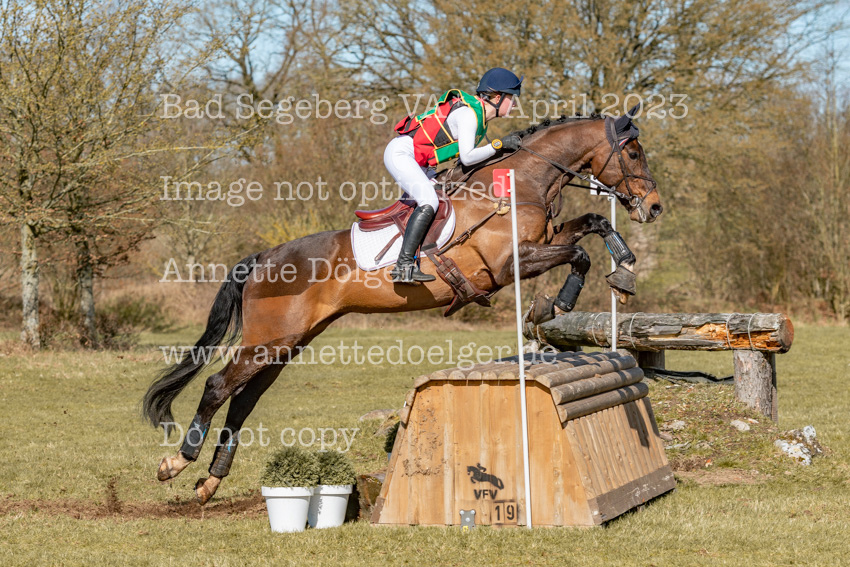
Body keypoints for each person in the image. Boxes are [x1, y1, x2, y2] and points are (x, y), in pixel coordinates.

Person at [386, 67, 524, 283]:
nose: (514, 104)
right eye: (512, 98)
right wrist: (498, 145)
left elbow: (465, 161)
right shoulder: (470, 115)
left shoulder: (480, 119)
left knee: (445, 195)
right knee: (429, 201)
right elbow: (468, 158)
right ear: (497, 98)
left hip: (419, 162)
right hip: (402, 154)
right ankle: (403, 266)